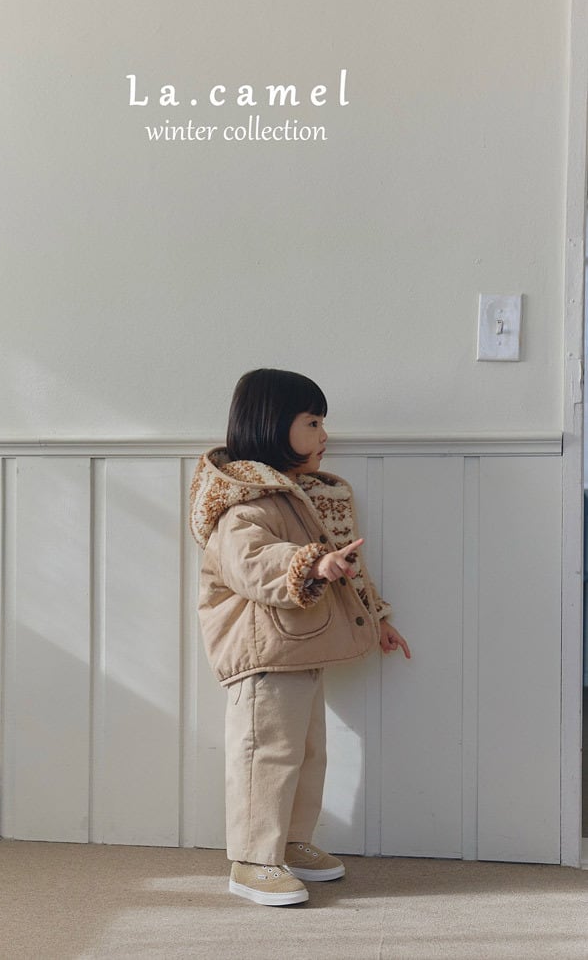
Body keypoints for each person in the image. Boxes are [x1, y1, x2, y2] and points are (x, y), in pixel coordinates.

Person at [189, 368, 411, 906]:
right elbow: (251, 563)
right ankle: (252, 860)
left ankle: (288, 841)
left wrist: (374, 617)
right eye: (312, 423)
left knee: (307, 754)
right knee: (265, 754)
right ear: (271, 425)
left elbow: (347, 567)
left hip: (298, 650)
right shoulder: (242, 503)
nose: (324, 435)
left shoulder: (301, 498)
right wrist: (310, 562)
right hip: (263, 656)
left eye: (322, 424)